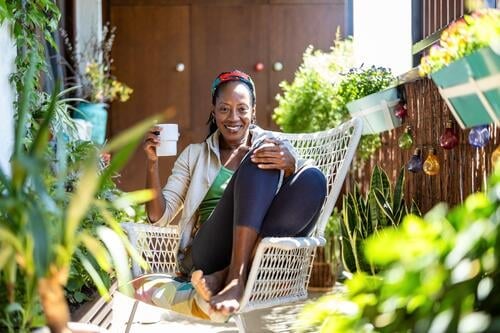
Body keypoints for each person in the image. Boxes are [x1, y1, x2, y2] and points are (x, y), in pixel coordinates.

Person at [141, 70, 327, 318]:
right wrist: (152, 164)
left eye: (242, 108)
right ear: (213, 111)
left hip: (266, 253)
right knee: (257, 159)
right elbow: (158, 216)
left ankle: (227, 275)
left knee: (314, 177)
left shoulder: (273, 145)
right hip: (208, 251)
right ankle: (236, 277)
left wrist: (292, 164)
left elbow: (300, 195)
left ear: (253, 111)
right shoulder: (194, 155)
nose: (233, 117)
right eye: (224, 109)